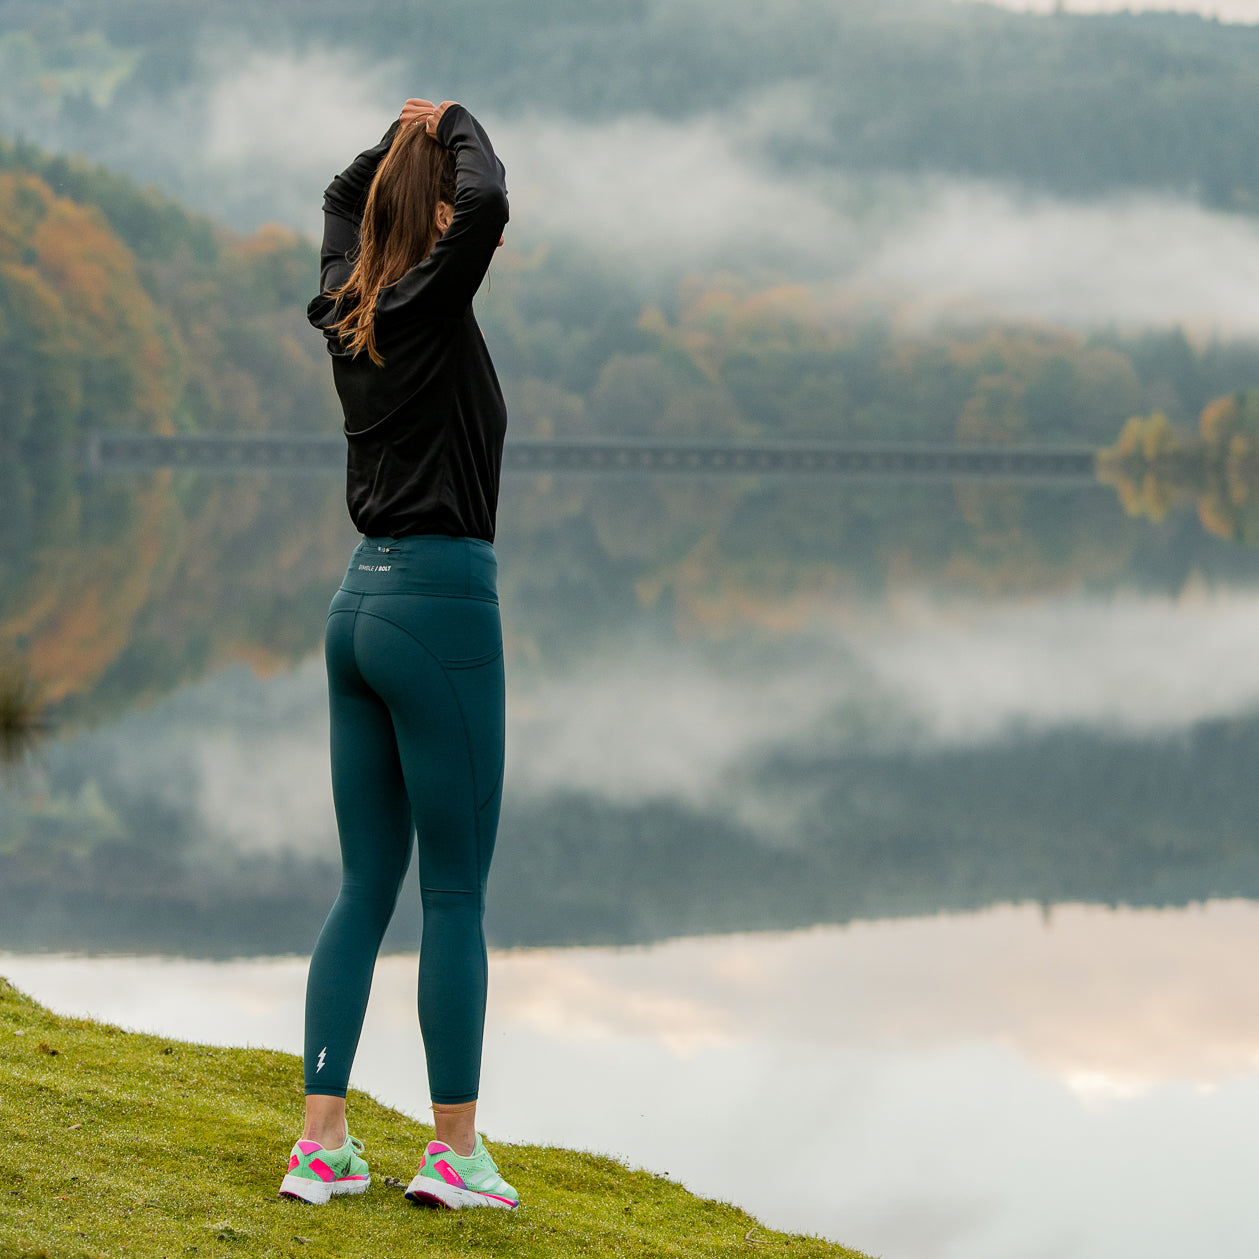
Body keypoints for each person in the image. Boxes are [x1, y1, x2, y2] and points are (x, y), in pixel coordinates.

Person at [277, 97, 516, 1211]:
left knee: (364, 882)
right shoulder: (427, 299)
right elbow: (492, 199)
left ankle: (320, 1145)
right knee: (454, 895)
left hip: (354, 611)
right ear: (437, 218)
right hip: (439, 607)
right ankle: (454, 1154)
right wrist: (452, 122)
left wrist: (394, 142)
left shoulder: (343, 307)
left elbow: (338, 199)